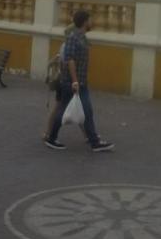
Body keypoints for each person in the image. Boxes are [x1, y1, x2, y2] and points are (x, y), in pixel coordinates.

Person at [44, 9, 114, 152]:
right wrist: (75, 81)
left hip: (81, 82)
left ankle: (94, 141)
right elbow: (70, 60)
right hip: (72, 83)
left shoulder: (82, 37)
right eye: (90, 20)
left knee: (87, 111)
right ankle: (51, 138)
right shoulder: (73, 38)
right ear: (84, 21)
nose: (92, 22)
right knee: (63, 110)